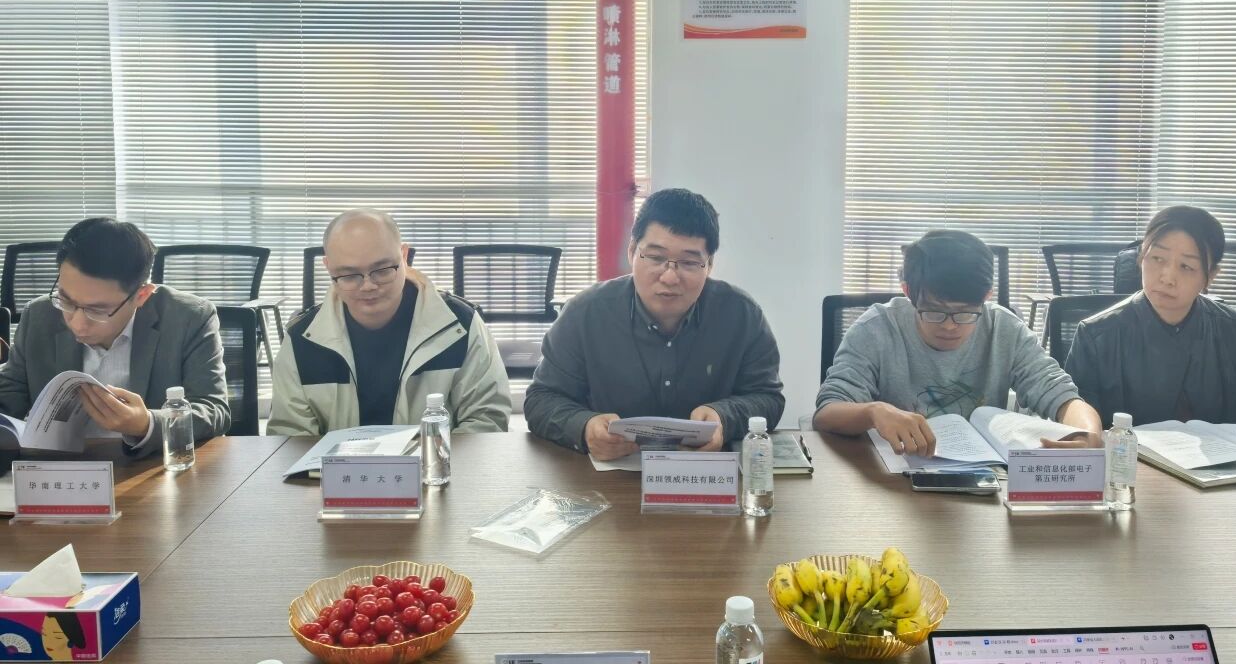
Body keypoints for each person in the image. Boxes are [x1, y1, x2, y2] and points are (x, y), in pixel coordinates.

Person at [524, 188, 785, 459]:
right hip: (608, 477)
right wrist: (584, 427)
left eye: (689, 262)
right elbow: (541, 399)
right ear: (631, 252)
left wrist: (724, 418)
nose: (669, 277)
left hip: (706, 474)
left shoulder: (741, 315)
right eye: (656, 258)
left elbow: (768, 398)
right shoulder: (585, 314)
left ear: (709, 265)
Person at [813, 229, 1103, 455]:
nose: (950, 325)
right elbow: (826, 413)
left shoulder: (1003, 328)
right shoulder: (876, 328)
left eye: (965, 313)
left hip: (982, 482)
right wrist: (874, 412)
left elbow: (1060, 394)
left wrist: (1088, 434)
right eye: (935, 312)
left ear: (986, 297)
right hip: (895, 477)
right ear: (908, 292)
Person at [267, 209, 510, 435]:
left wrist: (433, 462)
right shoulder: (302, 340)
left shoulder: (460, 325)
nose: (368, 286)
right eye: (349, 275)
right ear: (329, 267)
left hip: (437, 466)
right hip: (333, 469)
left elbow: (486, 420)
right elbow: (290, 438)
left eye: (382, 270)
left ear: (403, 256)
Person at [0, 218, 229, 455]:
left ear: (141, 295)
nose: (77, 323)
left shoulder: (189, 317)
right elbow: (9, 397)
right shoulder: (39, 315)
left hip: (149, 466)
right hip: (59, 466)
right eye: (66, 300)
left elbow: (214, 410)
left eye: (97, 310)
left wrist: (146, 424)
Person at [1066, 206, 1236, 425]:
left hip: (1222, 449)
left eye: (1186, 266)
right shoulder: (1096, 336)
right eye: (1157, 258)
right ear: (1141, 256)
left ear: (1210, 276)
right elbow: (1081, 434)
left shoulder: (1234, 328)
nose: (1168, 278)